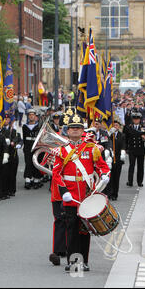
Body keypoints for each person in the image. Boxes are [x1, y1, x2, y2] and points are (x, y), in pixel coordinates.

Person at [52, 112, 110, 272]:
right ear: (67, 130)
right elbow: (56, 174)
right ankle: (72, 261)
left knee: (85, 229)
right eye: (72, 128)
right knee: (71, 228)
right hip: (70, 196)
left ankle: (84, 261)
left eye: (78, 128)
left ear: (82, 130)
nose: (75, 131)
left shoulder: (91, 149)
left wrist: (105, 176)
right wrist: (63, 191)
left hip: (87, 195)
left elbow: (102, 166)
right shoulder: (61, 150)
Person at [124, 109, 145, 187]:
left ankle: (139, 181)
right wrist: (125, 149)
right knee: (132, 165)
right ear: (132, 119)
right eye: (134, 119)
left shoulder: (143, 128)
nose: (136, 120)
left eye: (137, 119)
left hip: (140, 149)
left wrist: (144, 138)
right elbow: (126, 139)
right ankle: (130, 181)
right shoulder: (128, 127)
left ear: (139, 120)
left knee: (140, 166)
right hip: (132, 149)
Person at [107, 118, 126, 200]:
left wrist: (122, 154)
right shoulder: (109, 135)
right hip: (110, 158)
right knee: (110, 177)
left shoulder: (122, 135)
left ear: (119, 127)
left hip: (118, 158)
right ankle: (110, 193)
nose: (115, 127)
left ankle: (115, 194)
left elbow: (124, 145)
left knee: (116, 177)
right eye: (114, 125)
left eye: (117, 125)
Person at [22, 109, 42, 189]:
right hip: (28, 146)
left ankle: (36, 179)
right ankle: (28, 179)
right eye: (30, 115)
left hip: (36, 146)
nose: (31, 116)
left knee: (36, 162)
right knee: (28, 162)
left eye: (33, 115)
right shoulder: (25, 126)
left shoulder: (39, 126)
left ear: (35, 116)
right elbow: (24, 138)